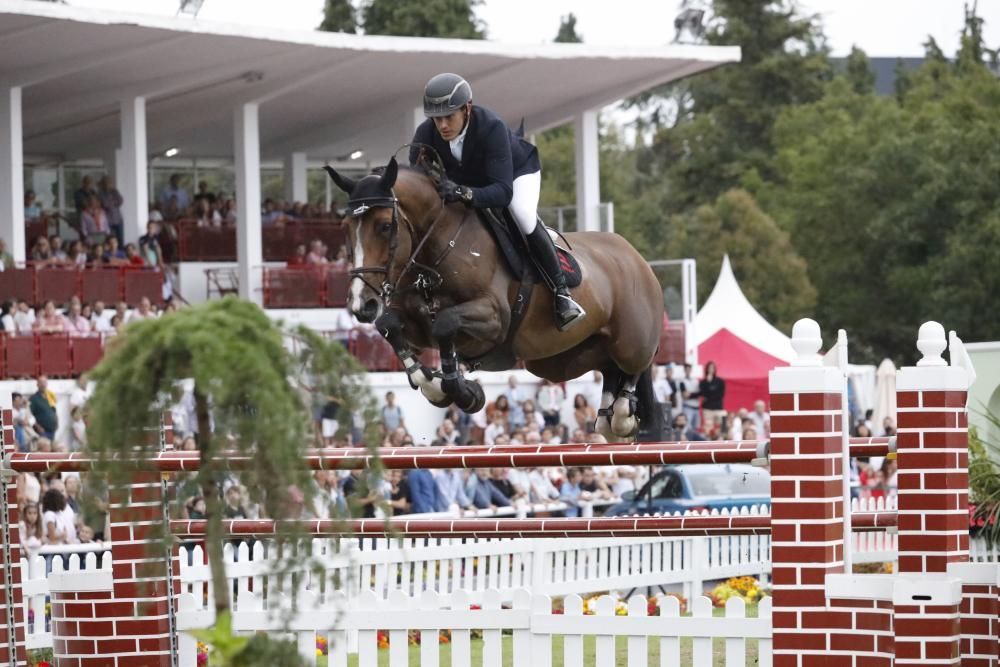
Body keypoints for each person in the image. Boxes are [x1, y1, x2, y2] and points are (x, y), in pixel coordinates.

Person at [408, 73, 585, 331]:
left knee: (522, 214)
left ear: (467, 108)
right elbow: (418, 177)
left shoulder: (491, 127)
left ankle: (561, 294)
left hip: (514, 174)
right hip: (470, 181)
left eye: (449, 117)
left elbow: (503, 192)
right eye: (437, 119)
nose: (443, 125)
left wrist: (465, 193)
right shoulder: (426, 134)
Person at [695, 361, 726, 435]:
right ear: (707, 369)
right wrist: (708, 383)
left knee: (724, 423)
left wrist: (709, 395)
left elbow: (720, 394)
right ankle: (709, 441)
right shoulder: (703, 382)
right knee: (708, 427)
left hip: (718, 407)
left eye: (712, 368)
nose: (711, 369)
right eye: (709, 368)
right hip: (708, 408)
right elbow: (703, 393)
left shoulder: (720, 381)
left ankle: (723, 438)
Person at [30, 375, 58, 440]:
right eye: (41, 382)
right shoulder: (33, 398)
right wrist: (37, 427)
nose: (43, 384)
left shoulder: (50, 396)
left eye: (44, 382)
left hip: (52, 430)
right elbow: (29, 415)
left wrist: (56, 422)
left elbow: (54, 410)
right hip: (42, 431)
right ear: (37, 384)